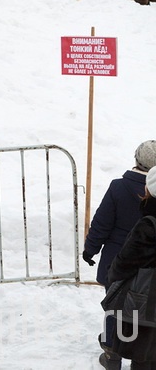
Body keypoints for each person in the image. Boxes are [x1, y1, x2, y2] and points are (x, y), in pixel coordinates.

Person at [86, 141, 156, 369]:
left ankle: (111, 354)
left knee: (113, 307)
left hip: (117, 261)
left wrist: (90, 248)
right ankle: (140, 353)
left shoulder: (118, 187)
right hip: (149, 274)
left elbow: (102, 222)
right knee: (140, 314)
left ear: (136, 159)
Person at [105, 166, 156, 370]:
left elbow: (124, 264)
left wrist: (112, 271)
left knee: (144, 361)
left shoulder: (148, 225)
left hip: (146, 306)